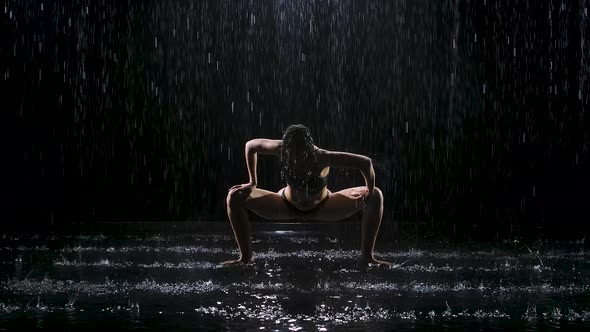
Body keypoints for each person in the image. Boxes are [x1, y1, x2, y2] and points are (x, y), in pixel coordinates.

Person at [223, 124, 391, 267]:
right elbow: (251, 146)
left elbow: (365, 162)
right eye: (291, 155)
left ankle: (367, 257)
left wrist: (369, 189)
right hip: (284, 206)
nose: (295, 160)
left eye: (300, 154)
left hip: (323, 207)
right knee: (234, 196)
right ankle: (246, 258)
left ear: (309, 148)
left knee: (376, 195)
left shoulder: (322, 157)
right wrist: (252, 182)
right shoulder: (281, 149)